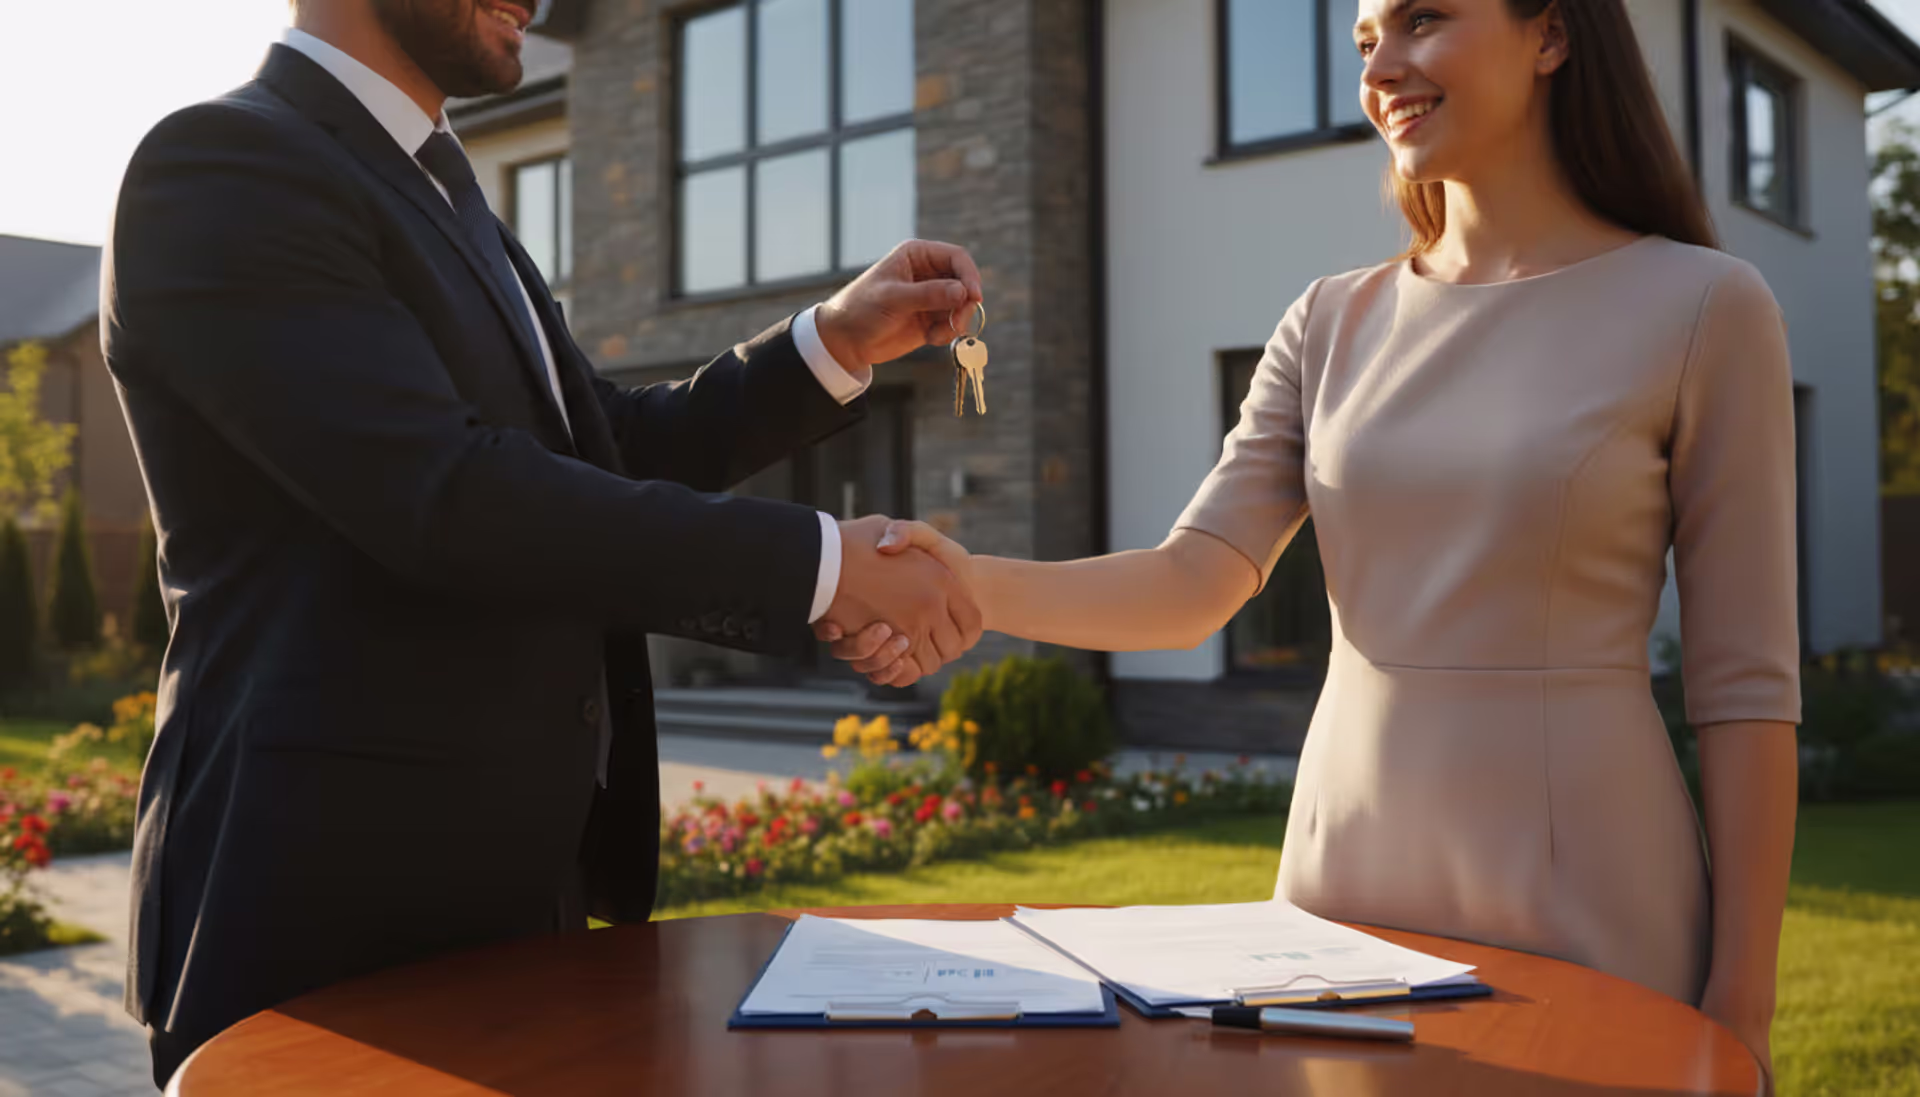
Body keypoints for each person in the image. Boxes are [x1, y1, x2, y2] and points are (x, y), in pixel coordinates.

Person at [831, 0, 1800, 1078]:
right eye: (1362, 39)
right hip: (1342, 873)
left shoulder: (1705, 304)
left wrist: (1742, 1002)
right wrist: (970, 581)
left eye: (1423, 19)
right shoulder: (1329, 320)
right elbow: (1192, 577)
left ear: (1552, 35)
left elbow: (1746, 686)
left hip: (1594, 880)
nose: (1382, 62)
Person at [104, 0, 981, 1085]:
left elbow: (591, 447)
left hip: (514, 912)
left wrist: (831, 344)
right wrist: (820, 564)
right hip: (322, 922)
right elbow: (449, 494)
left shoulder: (449, 193)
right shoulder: (224, 166)